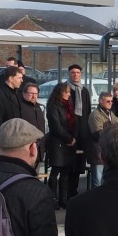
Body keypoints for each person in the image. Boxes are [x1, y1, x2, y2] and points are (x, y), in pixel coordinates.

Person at [45, 81, 77, 209]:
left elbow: (74, 122)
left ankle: (63, 199)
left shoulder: (68, 105)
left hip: (69, 143)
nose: (69, 95)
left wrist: (73, 138)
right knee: (55, 171)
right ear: (60, 93)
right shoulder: (53, 106)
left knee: (65, 173)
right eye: (67, 92)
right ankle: (52, 198)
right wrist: (68, 138)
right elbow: (55, 126)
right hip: (58, 143)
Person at [66, 65, 91, 197]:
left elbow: (87, 112)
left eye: (77, 72)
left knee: (78, 165)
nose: (75, 75)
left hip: (81, 133)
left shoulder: (84, 91)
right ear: (69, 74)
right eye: (72, 72)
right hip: (69, 132)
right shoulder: (65, 90)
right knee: (68, 165)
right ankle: (65, 193)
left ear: (81, 74)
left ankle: (74, 191)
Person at [85, 90, 118, 188]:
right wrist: (114, 133)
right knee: (97, 181)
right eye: (108, 101)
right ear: (100, 101)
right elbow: (98, 133)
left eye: (112, 101)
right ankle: (95, 202)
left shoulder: (111, 114)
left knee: (106, 179)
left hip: (108, 151)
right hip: (97, 152)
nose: (110, 103)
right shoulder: (95, 114)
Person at [17, 80, 47, 167]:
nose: (34, 96)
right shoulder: (20, 107)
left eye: (36, 94)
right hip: (26, 150)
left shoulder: (38, 107)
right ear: (24, 93)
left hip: (38, 149)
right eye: (31, 93)